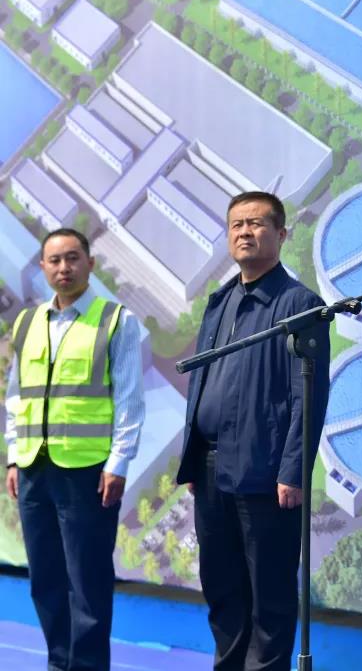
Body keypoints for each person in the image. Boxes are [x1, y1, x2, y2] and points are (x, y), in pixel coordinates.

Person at [177, 191, 329, 671]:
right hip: (210, 468)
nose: (245, 232)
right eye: (236, 224)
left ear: (281, 234)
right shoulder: (220, 301)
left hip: (265, 474)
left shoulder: (299, 304)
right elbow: (203, 383)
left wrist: (293, 470)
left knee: (270, 599)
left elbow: (309, 395)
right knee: (222, 591)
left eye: (256, 223)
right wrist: (192, 459)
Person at [4, 228, 144, 671]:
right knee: (45, 580)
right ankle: (58, 663)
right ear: (43, 267)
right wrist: (13, 456)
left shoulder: (115, 320)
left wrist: (119, 462)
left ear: (90, 263)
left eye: (72, 258)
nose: (63, 268)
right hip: (33, 469)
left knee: (88, 582)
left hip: (87, 472)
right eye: (54, 260)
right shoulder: (27, 322)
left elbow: (129, 399)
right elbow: (15, 395)